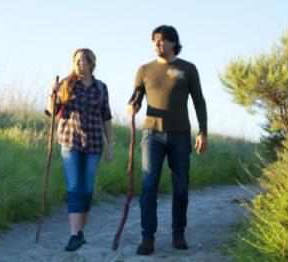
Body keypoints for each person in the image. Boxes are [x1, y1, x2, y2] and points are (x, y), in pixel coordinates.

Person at [127, 25, 208, 255]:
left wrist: (203, 132)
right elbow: (136, 97)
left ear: (173, 42)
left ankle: (178, 233)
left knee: (181, 187)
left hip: (180, 136)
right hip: (152, 135)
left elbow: (199, 101)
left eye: (162, 40)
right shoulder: (144, 69)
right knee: (148, 185)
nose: (157, 44)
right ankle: (147, 238)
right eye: (154, 40)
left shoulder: (188, 69)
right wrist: (133, 105)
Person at [46, 48, 113, 252]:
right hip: (70, 142)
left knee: (87, 189)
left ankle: (80, 232)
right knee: (74, 187)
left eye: (82, 61)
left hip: (94, 144)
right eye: (76, 61)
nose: (79, 64)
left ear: (91, 63)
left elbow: (106, 118)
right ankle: (74, 235)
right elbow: (52, 111)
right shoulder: (66, 84)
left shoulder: (101, 88)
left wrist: (110, 145)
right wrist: (53, 93)